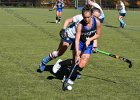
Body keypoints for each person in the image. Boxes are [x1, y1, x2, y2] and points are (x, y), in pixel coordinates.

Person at [39, 6, 101, 72]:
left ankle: (73, 71)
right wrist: (63, 29)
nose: (96, 18)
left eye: (98, 17)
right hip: (69, 35)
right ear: (91, 14)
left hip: (78, 39)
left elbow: (93, 34)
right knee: (60, 52)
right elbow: (67, 20)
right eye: (95, 16)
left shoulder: (94, 22)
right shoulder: (80, 17)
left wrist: (94, 46)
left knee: (77, 58)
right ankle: (44, 61)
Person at [63, 5, 101, 84]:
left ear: (91, 15)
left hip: (88, 44)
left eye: (88, 17)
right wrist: (77, 53)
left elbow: (98, 34)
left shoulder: (97, 22)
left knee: (82, 64)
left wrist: (90, 40)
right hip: (79, 43)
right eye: (84, 17)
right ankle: (67, 78)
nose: (86, 19)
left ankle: (70, 76)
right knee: (76, 62)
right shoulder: (80, 25)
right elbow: (76, 40)